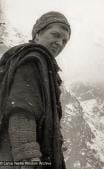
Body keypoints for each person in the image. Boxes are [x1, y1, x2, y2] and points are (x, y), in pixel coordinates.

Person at [0, 11, 71, 169]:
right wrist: (27, 159)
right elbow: (22, 111)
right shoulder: (33, 60)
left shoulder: (44, 65)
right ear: (37, 34)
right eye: (55, 34)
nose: (59, 42)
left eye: (64, 41)